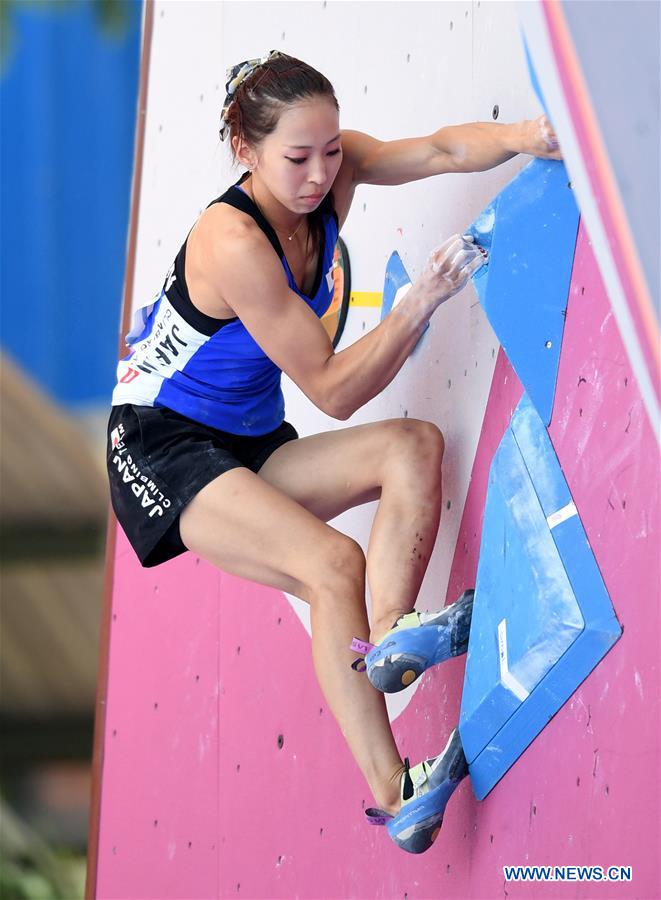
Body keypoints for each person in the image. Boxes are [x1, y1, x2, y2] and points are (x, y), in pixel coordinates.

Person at [107, 50, 561, 854]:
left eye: (330, 150)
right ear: (245, 152)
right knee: (330, 566)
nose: (320, 174)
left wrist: (535, 135)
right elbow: (330, 390)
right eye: (296, 158)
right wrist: (415, 306)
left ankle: (391, 638)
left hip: (243, 439)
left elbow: (441, 150)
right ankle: (397, 796)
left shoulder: (331, 168)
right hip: (159, 446)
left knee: (412, 448)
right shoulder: (232, 241)